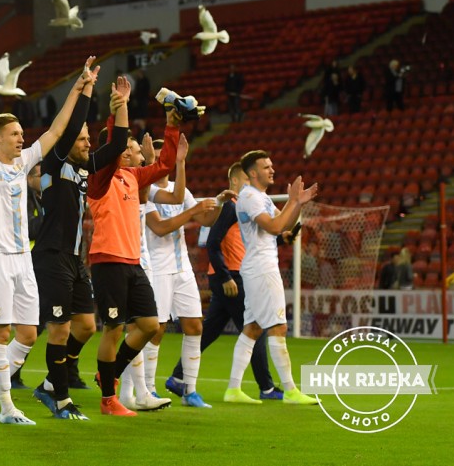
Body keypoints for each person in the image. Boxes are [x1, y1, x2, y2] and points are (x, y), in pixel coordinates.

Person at [0, 57, 98, 426]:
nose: (21, 137)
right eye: (14, 133)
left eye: (22, 133)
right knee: (1, 332)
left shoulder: (23, 163)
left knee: (27, 334)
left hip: (23, 258)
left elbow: (57, 130)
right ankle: (7, 406)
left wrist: (77, 89)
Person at [85, 74, 181, 417]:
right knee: (113, 329)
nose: (129, 152)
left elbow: (165, 165)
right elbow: (115, 145)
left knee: (150, 325)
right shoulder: (99, 178)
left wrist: (172, 126)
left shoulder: (132, 176)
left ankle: (108, 373)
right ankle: (108, 400)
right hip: (107, 260)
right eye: (125, 148)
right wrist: (119, 108)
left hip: (132, 261)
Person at [22, 73, 104, 420]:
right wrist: (85, 90)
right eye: (82, 138)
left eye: (88, 138)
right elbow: (67, 131)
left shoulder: (82, 171)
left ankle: (49, 384)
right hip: (51, 256)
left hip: (74, 259)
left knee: (86, 326)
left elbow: (114, 148)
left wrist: (119, 108)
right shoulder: (54, 165)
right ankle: (61, 399)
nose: (87, 143)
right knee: (59, 329)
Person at [167, 162, 282, 401]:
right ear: (236, 181)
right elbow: (213, 243)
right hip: (231, 275)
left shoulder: (242, 207)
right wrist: (225, 276)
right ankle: (267, 388)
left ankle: (178, 377)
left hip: (231, 273)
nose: (251, 185)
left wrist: (284, 238)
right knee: (254, 328)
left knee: (210, 330)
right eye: (247, 181)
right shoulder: (231, 206)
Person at [224, 150, 320, 405]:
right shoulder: (249, 197)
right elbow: (276, 226)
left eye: (271, 165)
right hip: (262, 268)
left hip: (259, 267)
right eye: (266, 167)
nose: (272, 169)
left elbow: (284, 225)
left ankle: (233, 389)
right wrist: (293, 201)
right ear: (253, 172)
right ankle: (290, 390)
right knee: (278, 326)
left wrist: (297, 204)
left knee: (253, 328)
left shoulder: (261, 197)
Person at [135, 139, 226, 409]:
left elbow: (206, 220)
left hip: (182, 266)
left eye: (169, 157)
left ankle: (189, 390)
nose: (164, 162)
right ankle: (148, 389)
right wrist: (194, 210)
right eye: (159, 157)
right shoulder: (146, 191)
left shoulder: (180, 190)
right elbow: (160, 227)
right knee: (156, 329)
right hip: (158, 267)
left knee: (195, 326)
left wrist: (219, 203)